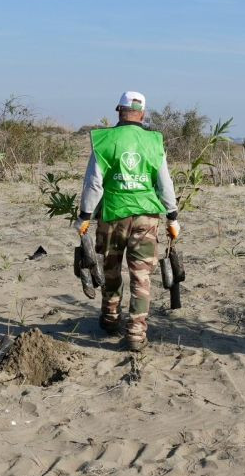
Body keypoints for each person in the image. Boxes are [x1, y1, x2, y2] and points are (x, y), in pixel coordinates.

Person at [76, 91, 179, 352]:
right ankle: (135, 333)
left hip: (112, 215)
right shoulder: (154, 141)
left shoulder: (105, 140)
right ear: (142, 114)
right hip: (147, 218)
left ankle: (111, 319)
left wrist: (85, 216)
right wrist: (173, 216)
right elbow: (164, 183)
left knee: (111, 271)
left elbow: (94, 183)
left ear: (118, 111)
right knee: (141, 276)